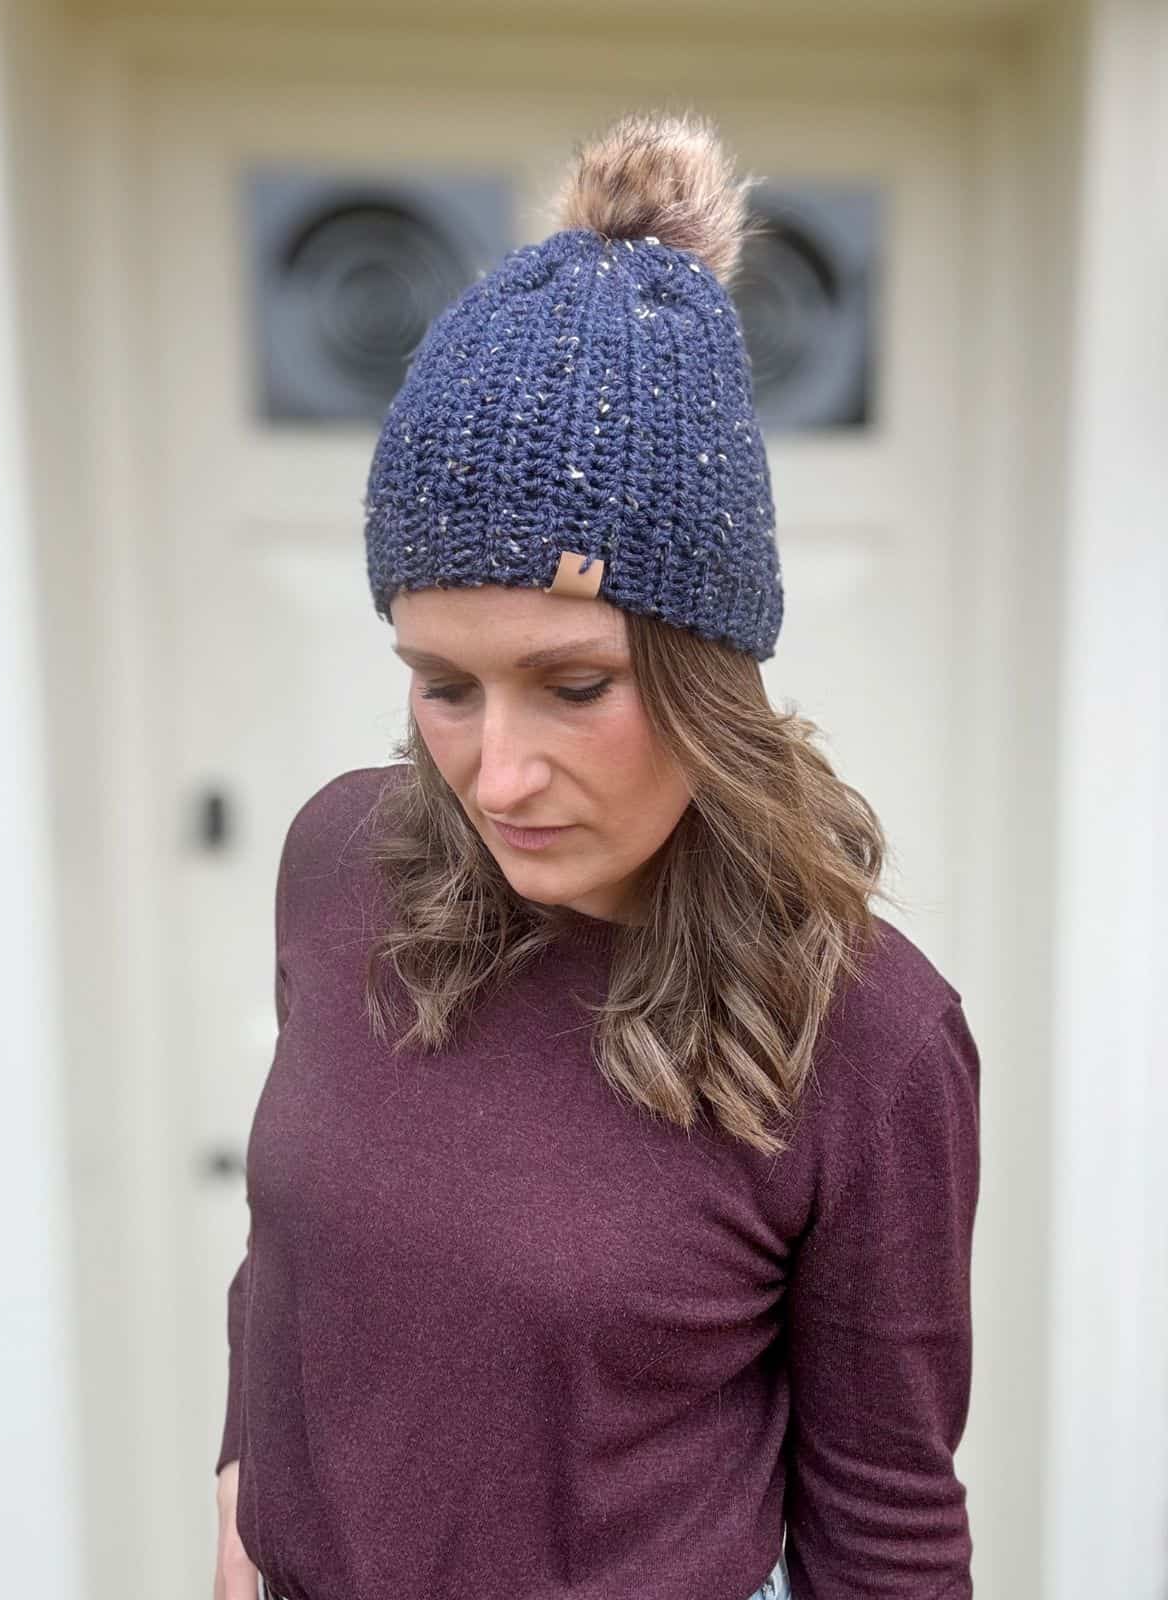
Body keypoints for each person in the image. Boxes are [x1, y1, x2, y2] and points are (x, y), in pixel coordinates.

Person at [212, 109, 981, 1600]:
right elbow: (284, 1271)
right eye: (443, 685)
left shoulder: (870, 1037)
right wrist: (242, 1536)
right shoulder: (336, 862)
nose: (499, 774)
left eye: (573, 688)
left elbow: (885, 1515)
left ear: (708, 674)